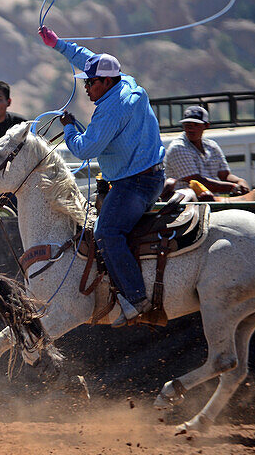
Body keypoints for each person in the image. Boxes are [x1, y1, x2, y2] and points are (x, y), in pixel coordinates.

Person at [39, 25, 165, 326]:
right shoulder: (127, 84)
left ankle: (136, 299)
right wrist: (58, 44)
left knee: (107, 232)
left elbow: (84, 150)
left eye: (90, 82)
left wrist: (69, 126)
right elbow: (86, 57)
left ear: (106, 81)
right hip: (147, 177)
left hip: (134, 183)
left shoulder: (111, 109)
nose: (86, 87)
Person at [163, 105, 250, 198]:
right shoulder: (178, 147)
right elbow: (196, 181)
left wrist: (240, 181)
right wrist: (233, 187)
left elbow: (225, 175)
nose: (191, 129)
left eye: (196, 125)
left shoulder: (212, 146)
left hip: (212, 199)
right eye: (188, 125)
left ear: (206, 125)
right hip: (187, 202)